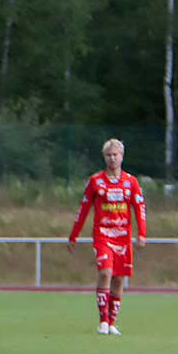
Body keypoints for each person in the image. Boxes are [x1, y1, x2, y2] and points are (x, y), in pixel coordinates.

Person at [67, 138, 146, 335]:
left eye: (115, 155)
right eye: (108, 155)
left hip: (123, 237)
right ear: (104, 157)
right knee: (105, 273)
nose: (112, 158)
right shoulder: (95, 181)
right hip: (102, 235)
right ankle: (102, 321)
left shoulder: (131, 182)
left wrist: (141, 234)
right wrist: (73, 235)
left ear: (121, 156)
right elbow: (83, 209)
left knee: (118, 280)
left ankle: (111, 322)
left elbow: (139, 208)